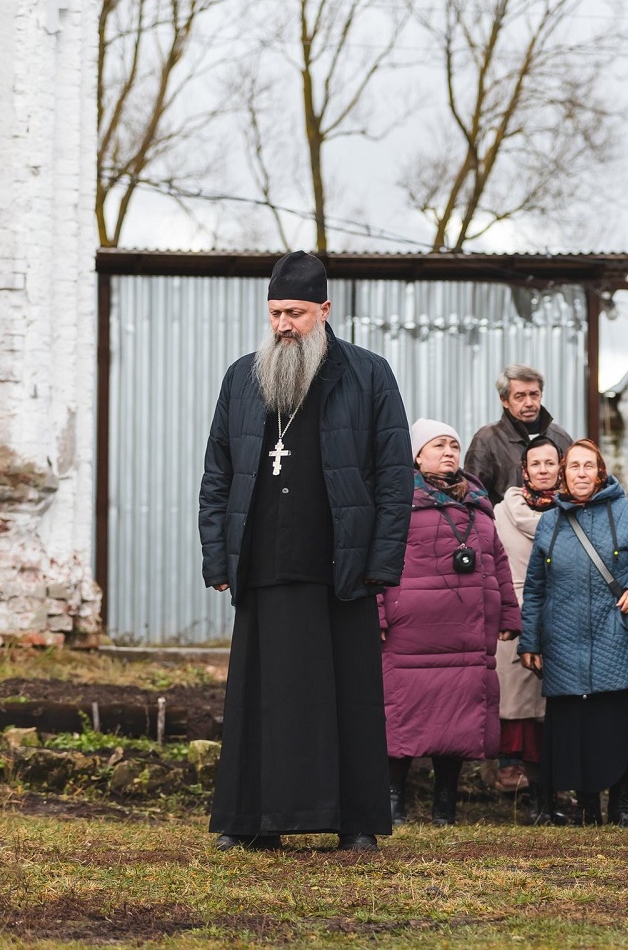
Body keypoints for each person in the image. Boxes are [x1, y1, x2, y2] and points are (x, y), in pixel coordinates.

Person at [199, 250, 411, 852]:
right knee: (260, 701)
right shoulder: (243, 378)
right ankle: (252, 822)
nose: (283, 325)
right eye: (274, 313)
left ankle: (355, 823)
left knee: (347, 698)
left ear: (324, 308)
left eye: (294, 312)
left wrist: (381, 562)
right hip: (263, 563)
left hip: (339, 564)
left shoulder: (368, 374)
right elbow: (218, 473)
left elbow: (394, 477)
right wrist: (218, 556)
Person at [518, 440, 628, 826]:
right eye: (574, 467)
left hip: (616, 637)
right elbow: (536, 587)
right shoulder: (550, 521)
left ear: (600, 472)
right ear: (563, 475)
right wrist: (530, 640)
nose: (581, 473)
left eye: (589, 466)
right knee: (575, 729)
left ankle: (626, 805)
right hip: (564, 643)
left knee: (618, 724)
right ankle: (584, 807)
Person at [378, 420, 520, 826]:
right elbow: (377, 560)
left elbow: (498, 561)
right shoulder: (395, 500)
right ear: (417, 455)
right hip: (410, 633)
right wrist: (378, 611)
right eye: (438, 445)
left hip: (466, 631)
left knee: (457, 719)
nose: (449, 453)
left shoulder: (478, 502)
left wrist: (509, 612)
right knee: (401, 716)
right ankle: (393, 801)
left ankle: (446, 805)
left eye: (454, 446)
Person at [493, 436, 562, 821]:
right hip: (517, 616)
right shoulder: (502, 512)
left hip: (562, 617)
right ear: (525, 471)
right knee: (518, 708)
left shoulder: (573, 510)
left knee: (552, 710)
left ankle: (551, 791)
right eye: (536, 464)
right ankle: (523, 790)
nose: (543, 470)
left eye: (550, 463)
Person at [464, 365, 573, 503]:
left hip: (557, 521)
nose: (529, 403)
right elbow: (473, 496)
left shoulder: (560, 437)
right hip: (505, 522)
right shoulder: (487, 439)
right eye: (520, 396)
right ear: (504, 400)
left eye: (534, 394)